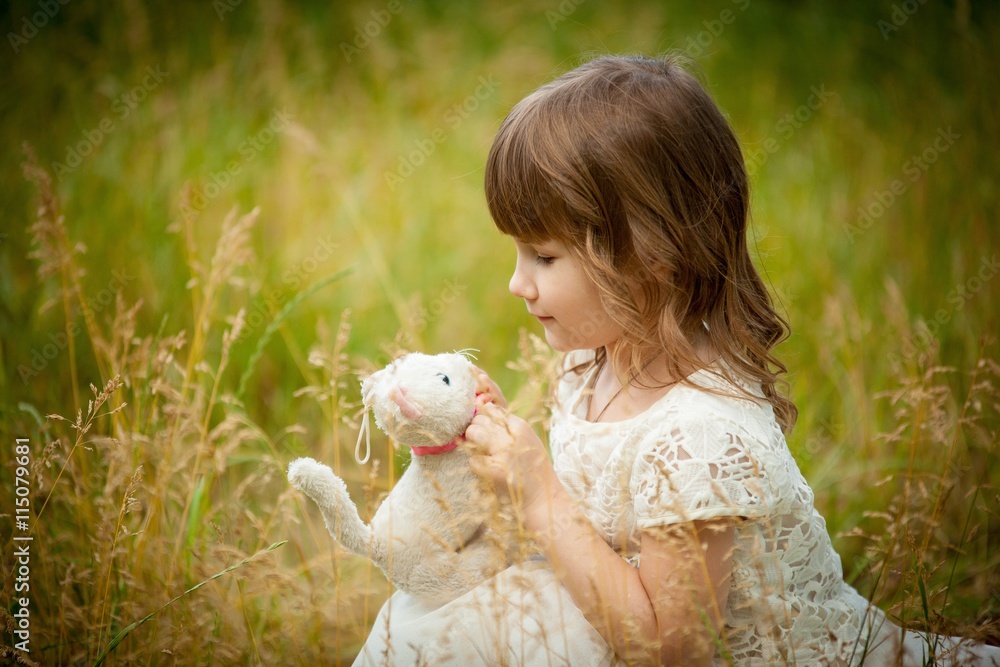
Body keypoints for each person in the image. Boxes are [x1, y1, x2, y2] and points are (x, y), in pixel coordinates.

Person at [354, 55, 1000, 666]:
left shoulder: (699, 430)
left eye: (544, 258)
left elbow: (670, 648)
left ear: (651, 254)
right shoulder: (595, 364)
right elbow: (600, 532)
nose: (517, 284)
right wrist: (498, 453)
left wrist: (540, 493)